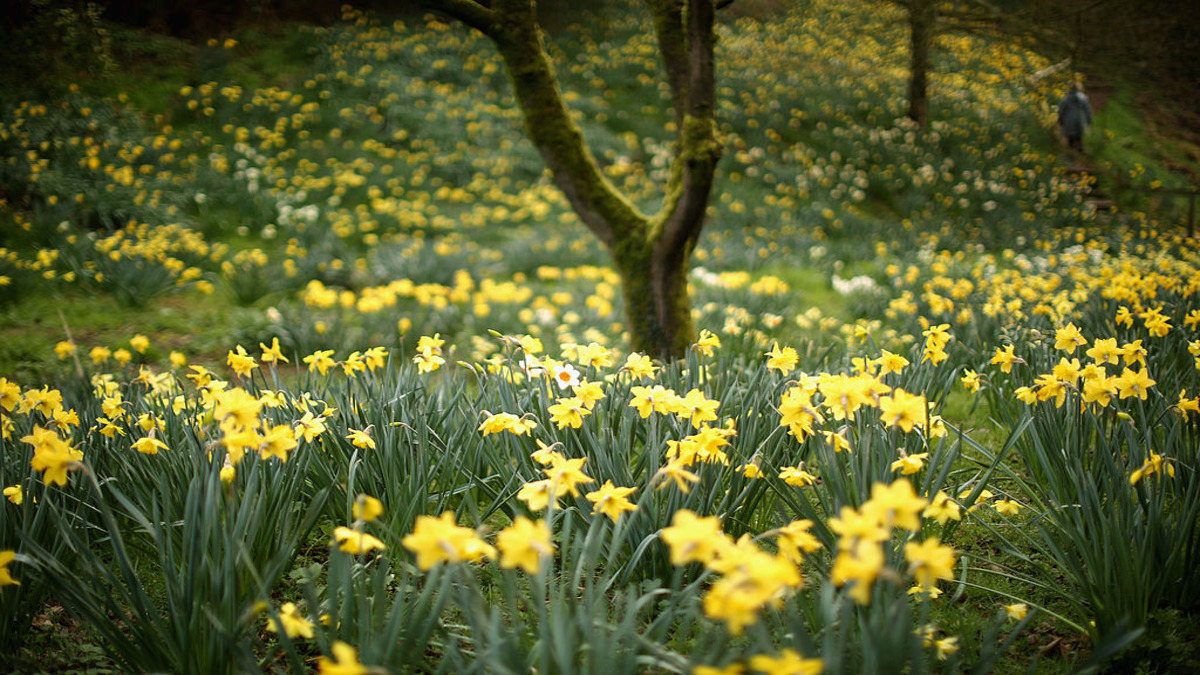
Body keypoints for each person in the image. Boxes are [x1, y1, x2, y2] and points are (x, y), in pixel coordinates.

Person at [1058, 83, 1092, 152]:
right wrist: (1088, 120)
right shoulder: (1083, 97)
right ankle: (1080, 149)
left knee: (1070, 136)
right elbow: (1087, 110)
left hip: (1069, 119)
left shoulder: (1066, 98)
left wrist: (1060, 121)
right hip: (1080, 119)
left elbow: (1062, 110)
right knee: (1079, 135)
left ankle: (1071, 150)